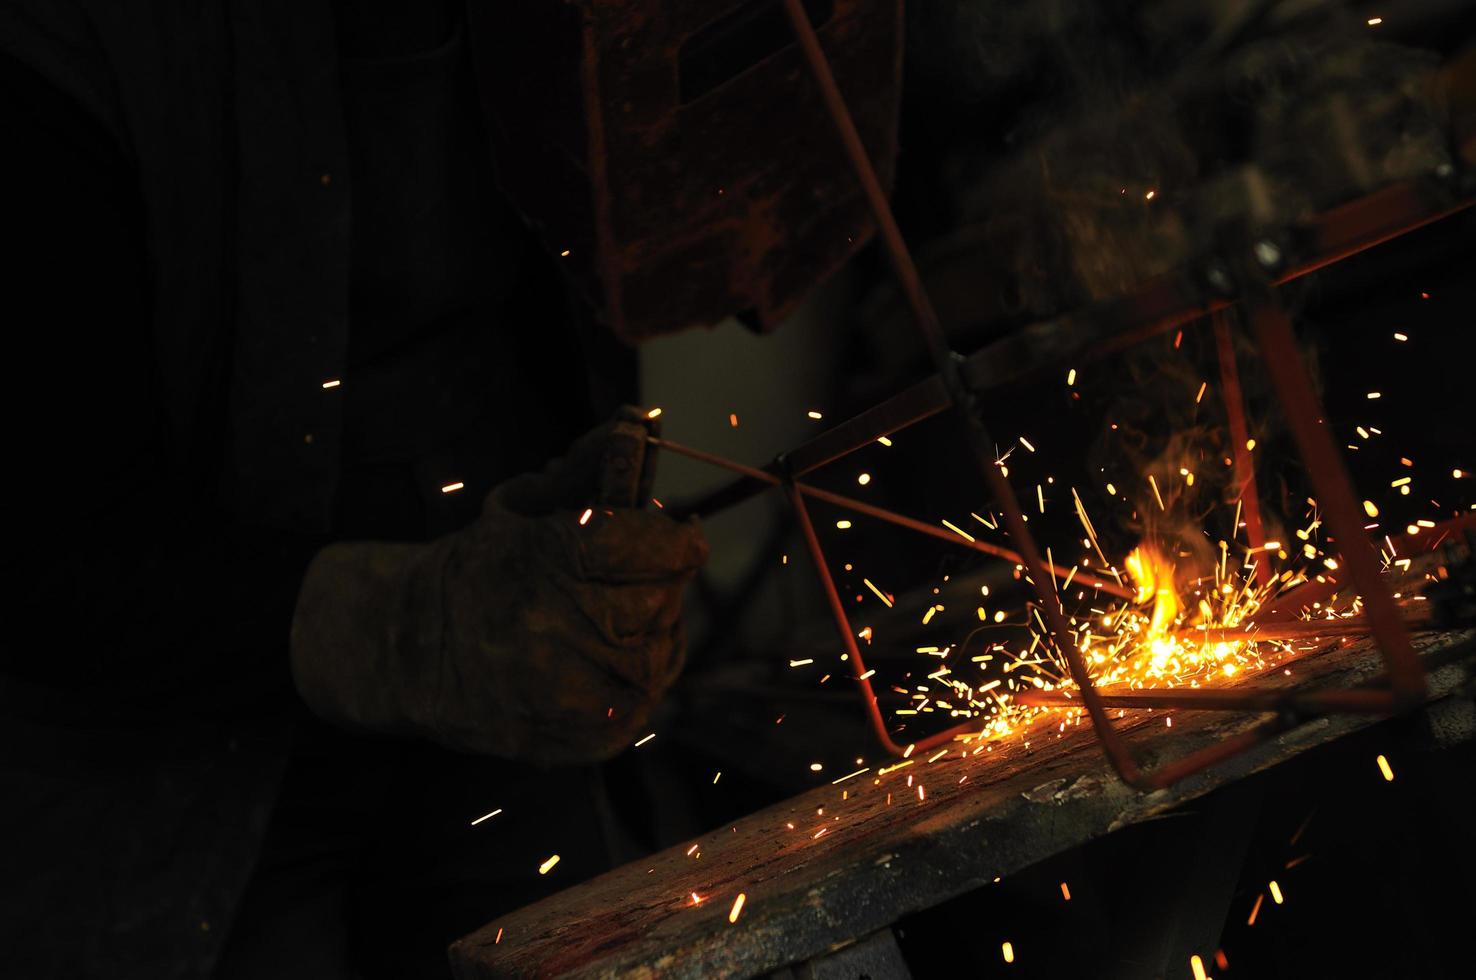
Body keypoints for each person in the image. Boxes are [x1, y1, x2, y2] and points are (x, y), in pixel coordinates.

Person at [0, 2, 707, 976]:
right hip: (178, 783)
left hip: (511, 691)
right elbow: (40, 544)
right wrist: (402, 625)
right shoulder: (63, 51)